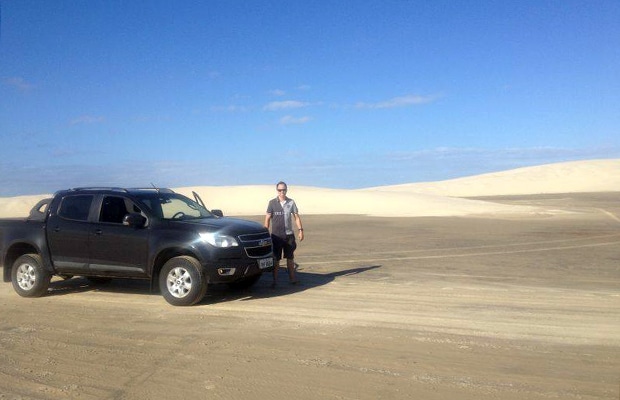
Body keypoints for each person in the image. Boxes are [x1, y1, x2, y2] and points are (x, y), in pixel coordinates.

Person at [264, 181, 304, 286]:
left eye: (284, 189)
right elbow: (267, 219)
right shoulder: (272, 203)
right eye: (280, 190)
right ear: (277, 190)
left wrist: (300, 230)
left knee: (290, 258)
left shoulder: (291, 202)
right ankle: (275, 281)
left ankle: (292, 279)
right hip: (276, 236)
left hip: (289, 236)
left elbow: (296, 217)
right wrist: (265, 232)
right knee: (276, 259)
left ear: (286, 190)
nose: (282, 192)